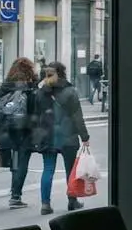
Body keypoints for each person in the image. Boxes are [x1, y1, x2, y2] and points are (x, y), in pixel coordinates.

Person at [33, 61, 90, 215]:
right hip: (67, 135)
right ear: (62, 73)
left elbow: (36, 115)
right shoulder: (70, 91)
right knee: (70, 170)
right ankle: (72, 200)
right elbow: (77, 116)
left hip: (48, 135)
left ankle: (45, 204)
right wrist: (84, 136)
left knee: (48, 169)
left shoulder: (41, 92)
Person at [0, 57, 40, 209]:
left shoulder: (6, 85)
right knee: (22, 161)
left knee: (14, 161)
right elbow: (35, 109)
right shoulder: (31, 85)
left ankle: (14, 190)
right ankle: (15, 195)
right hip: (25, 129)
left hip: (7, 129)